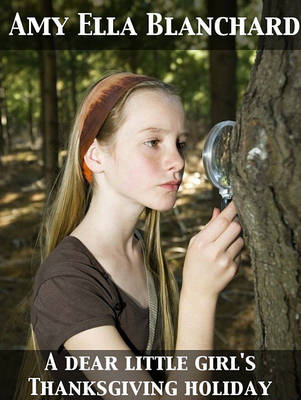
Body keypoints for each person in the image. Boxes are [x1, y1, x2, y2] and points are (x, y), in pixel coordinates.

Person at [30, 71, 243, 396]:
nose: (177, 161)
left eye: (180, 144)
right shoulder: (67, 284)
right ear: (95, 156)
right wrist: (199, 296)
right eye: (152, 142)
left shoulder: (143, 252)